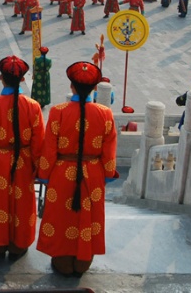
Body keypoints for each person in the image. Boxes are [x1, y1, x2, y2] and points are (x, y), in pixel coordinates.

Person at [37, 60, 118, 277]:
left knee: (61, 218)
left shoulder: (58, 111)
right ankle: (83, 262)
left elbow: (49, 148)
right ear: (94, 88)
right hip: (93, 174)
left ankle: (62, 261)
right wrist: (107, 174)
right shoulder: (105, 113)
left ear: (71, 86)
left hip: (62, 173)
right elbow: (109, 152)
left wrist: (44, 174)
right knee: (88, 218)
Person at [0, 55, 44, 258]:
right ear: (23, 79)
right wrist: (37, 167)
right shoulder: (33, 106)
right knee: (22, 205)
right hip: (23, 161)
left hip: (0, 161)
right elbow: (39, 142)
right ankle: (19, 244)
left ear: (1, 78)